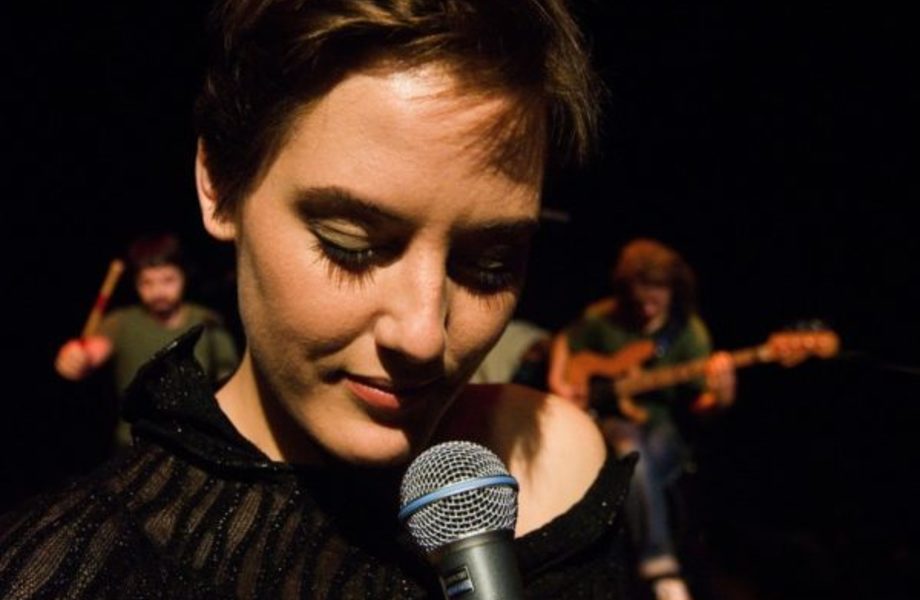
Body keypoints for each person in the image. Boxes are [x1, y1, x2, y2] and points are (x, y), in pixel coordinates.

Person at [0, 1, 638, 598]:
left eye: (489, 264)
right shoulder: (73, 571)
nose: (422, 336)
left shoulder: (553, 464)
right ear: (220, 184)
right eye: (351, 245)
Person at [548, 238, 736, 600]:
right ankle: (661, 567)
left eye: (655, 299)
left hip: (664, 426)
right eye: (638, 301)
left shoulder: (687, 332)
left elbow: (703, 407)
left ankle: (651, 563)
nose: (647, 309)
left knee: (639, 461)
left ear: (672, 291)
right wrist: (560, 381)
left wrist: (721, 397)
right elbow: (566, 340)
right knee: (629, 448)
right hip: (613, 422)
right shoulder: (605, 318)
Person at [54, 233, 240, 448]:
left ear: (184, 276)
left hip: (195, 443)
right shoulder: (121, 322)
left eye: (168, 280)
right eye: (147, 282)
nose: (158, 291)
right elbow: (95, 350)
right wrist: (77, 358)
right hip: (134, 443)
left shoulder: (208, 321)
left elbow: (230, 379)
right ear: (136, 284)